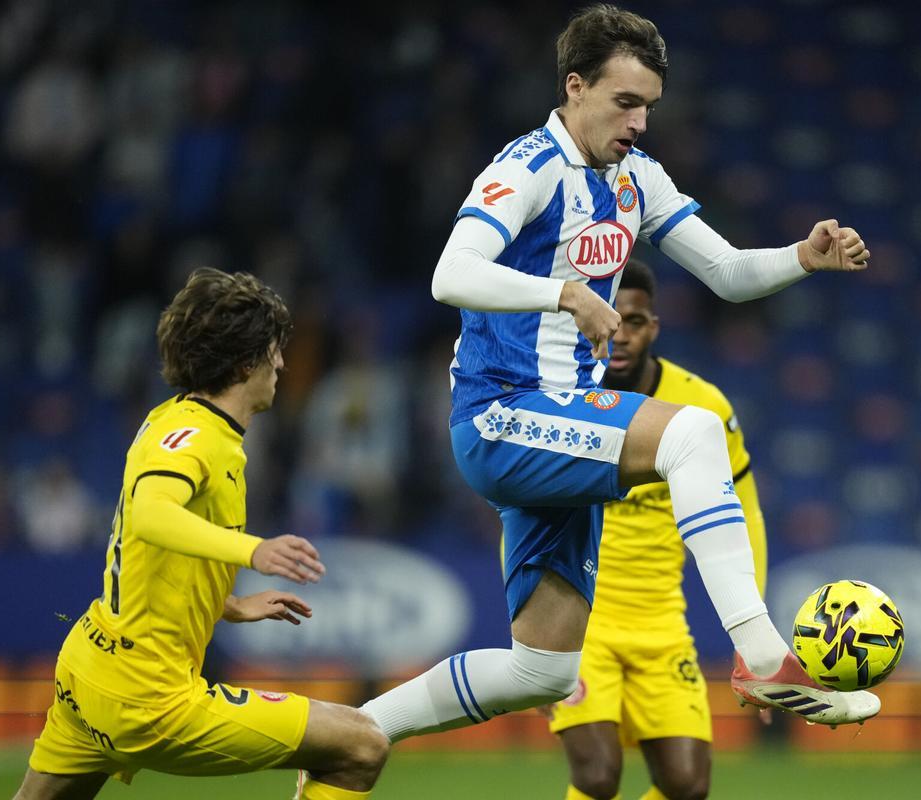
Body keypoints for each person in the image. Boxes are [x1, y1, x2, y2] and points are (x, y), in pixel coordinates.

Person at [360, 3, 877, 746]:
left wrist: (801, 257)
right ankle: (763, 655)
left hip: (560, 426)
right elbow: (451, 273)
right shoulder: (526, 168)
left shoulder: (637, 178)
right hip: (502, 415)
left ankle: (360, 728)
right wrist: (563, 292)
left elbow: (728, 272)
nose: (638, 122)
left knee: (540, 671)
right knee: (694, 433)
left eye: (649, 107)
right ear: (575, 86)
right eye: (624, 102)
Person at [14, 268, 389, 800]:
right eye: (273, 351)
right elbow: (149, 516)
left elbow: (148, 553)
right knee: (361, 745)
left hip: (89, 670)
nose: (282, 363)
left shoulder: (172, 420)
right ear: (245, 362)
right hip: (148, 697)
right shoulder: (197, 438)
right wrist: (253, 550)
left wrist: (229, 604)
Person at [540, 259, 768, 800]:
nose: (619, 333)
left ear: (654, 327)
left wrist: (752, 638)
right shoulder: (557, 398)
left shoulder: (702, 406)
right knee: (597, 777)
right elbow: (521, 511)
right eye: (609, 317)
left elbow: (747, 516)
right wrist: (535, 637)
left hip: (662, 625)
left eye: (635, 321)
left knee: (688, 786)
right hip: (580, 624)